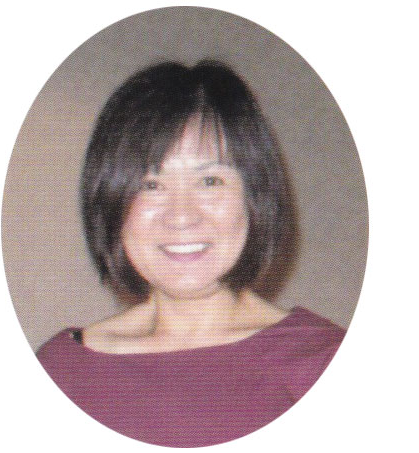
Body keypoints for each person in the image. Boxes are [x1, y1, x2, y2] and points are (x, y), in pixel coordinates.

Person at [36, 61, 345, 447]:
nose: (181, 216)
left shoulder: (323, 361)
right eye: (150, 184)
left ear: (255, 197)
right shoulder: (61, 369)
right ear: (110, 204)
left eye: (210, 181)